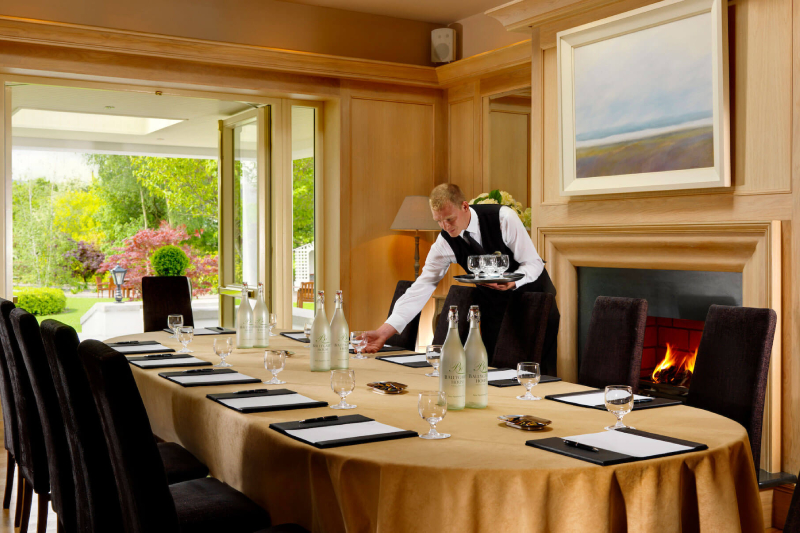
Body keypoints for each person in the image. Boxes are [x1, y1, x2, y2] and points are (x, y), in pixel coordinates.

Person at [364, 184, 560, 375]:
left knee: (538, 376)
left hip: (536, 304)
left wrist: (513, 282)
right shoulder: (444, 242)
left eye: (449, 219)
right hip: (496, 311)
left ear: (465, 206)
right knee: (494, 375)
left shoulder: (502, 218)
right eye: (438, 221)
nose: (445, 227)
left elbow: (533, 263)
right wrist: (384, 331)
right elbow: (422, 287)